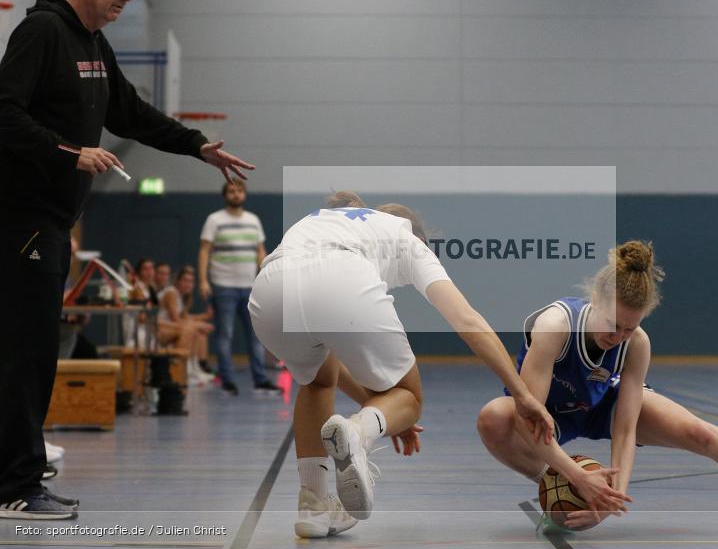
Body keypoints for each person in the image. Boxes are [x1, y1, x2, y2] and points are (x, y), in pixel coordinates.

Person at [0, 0, 255, 519]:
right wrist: (69, 152)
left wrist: (195, 145)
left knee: (37, 354)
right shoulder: (42, 31)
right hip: (22, 220)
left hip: (55, 222)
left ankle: (19, 470)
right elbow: (4, 112)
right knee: (27, 354)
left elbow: (131, 113)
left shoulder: (94, 45)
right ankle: (15, 486)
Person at [248, 191, 611, 538]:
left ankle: (312, 506)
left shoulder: (330, 220)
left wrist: (384, 413)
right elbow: (468, 321)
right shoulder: (407, 241)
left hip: (268, 290)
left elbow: (332, 370)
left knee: (316, 381)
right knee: (410, 395)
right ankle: (358, 434)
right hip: (340, 277)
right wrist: (521, 394)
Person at [477, 241, 718, 534]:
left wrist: (613, 497)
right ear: (594, 300)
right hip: (545, 414)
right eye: (612, 324)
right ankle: (553, 488)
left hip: (598, 405)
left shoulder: (636, 343)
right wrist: (576, 479)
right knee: (494, 418)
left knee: (701, 433)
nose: (619, 335)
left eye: (630, 327)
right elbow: (532, 420)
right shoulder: (556, 326)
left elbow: (625, 429)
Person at [198, 180, 280, 396]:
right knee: (225, 335)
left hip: (250, 287)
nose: (236, 194)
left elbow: (260, 250)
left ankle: (260, 379)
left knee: (256, 336)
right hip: (223, 285)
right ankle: (227, 380)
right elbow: (204, 251)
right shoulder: (214, 220)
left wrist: (265, 275)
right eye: (232, 191)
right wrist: (203, 281)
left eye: (239, 190)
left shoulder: (253, 220)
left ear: (244, 194)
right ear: (225, 195)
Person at [158, 266, 216, 385]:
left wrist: (204, 318)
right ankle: (183, 372)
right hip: (158, 330)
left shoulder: (180, 296)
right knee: (189, 330)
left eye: (191, 281)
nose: (188, 284)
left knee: (199, 332)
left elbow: (186, 318)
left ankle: (195, 368)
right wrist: (199, 324)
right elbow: (176, 320)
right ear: (178, 281)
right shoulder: (171, 293)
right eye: (185, 280)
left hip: (170, 328)